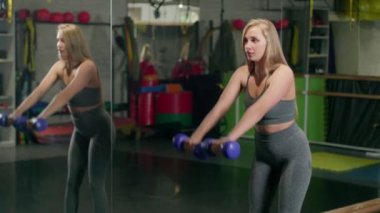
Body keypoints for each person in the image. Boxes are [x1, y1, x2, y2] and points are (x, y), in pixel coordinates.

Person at [188, 19, 312, 212]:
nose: (247, 46)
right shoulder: (242, 74)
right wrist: (197, 136)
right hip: (263, 154)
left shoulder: (283, 73)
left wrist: (230, 137)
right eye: (245, 40)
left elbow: (258, 109)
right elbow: (220, 107)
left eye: (254, 40)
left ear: (268, 42)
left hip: (293, 155)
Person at [9, 24, 115, 213]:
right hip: (80, 131)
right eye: (57, 39)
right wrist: (15, 114)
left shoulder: (88, 67)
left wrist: (39, 118)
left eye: (62, 40)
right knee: (71, 181)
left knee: (95, 183)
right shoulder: (59, 67)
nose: (58, 44)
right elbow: (39, 92)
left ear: (73, 43)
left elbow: (63, 96)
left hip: (101, 129)